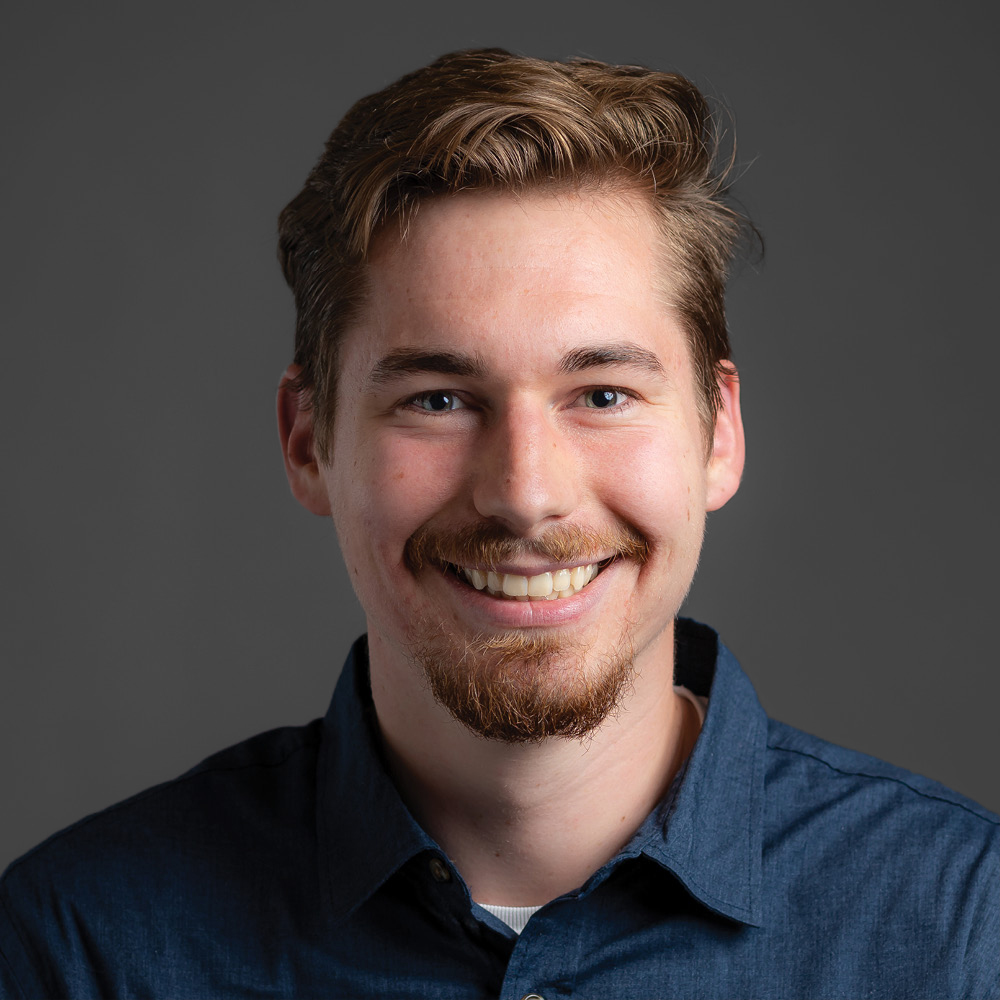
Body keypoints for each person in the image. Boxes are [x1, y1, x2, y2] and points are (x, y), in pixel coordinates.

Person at [0, 48, 996, 1000]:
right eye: (437, 399)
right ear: (308, 442)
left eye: (601, 394)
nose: (525, 493)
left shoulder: (966, 930)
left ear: (718, 433)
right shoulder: (79, 948)